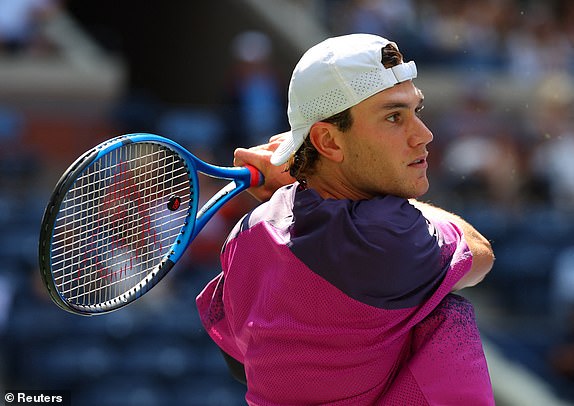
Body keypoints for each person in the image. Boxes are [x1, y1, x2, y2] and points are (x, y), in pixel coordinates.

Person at [196, 33, 495, 405]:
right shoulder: (387, 237)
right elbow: (480, 253)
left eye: (414, 112)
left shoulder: (249, 233)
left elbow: (240, 361)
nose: (423, 135)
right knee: (445, 312)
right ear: (330, 142)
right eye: (393, 117)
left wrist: (295, 182)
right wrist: (294, 175)